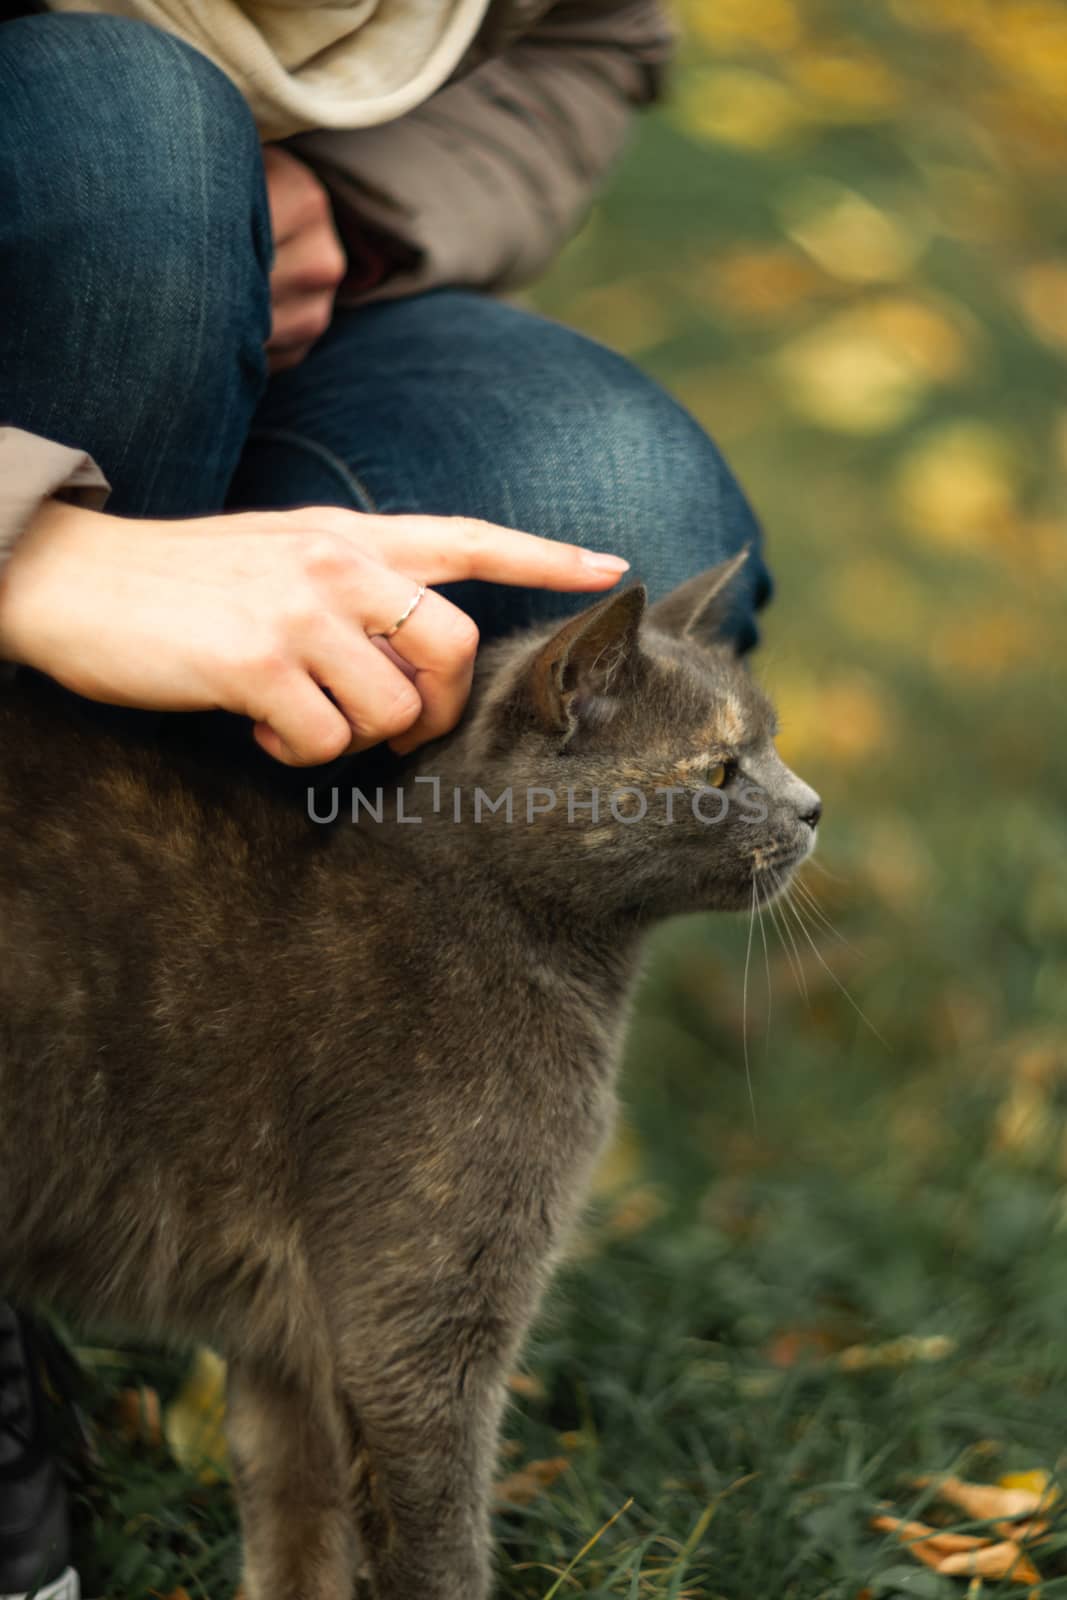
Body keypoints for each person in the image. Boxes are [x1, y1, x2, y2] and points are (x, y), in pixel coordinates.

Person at [0, 2, 774, 1594]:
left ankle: (224, 1160)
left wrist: (364, 203)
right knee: (128, 140)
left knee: (618, 508)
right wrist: (40, 555)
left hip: (275, 317)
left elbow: (597, 43)